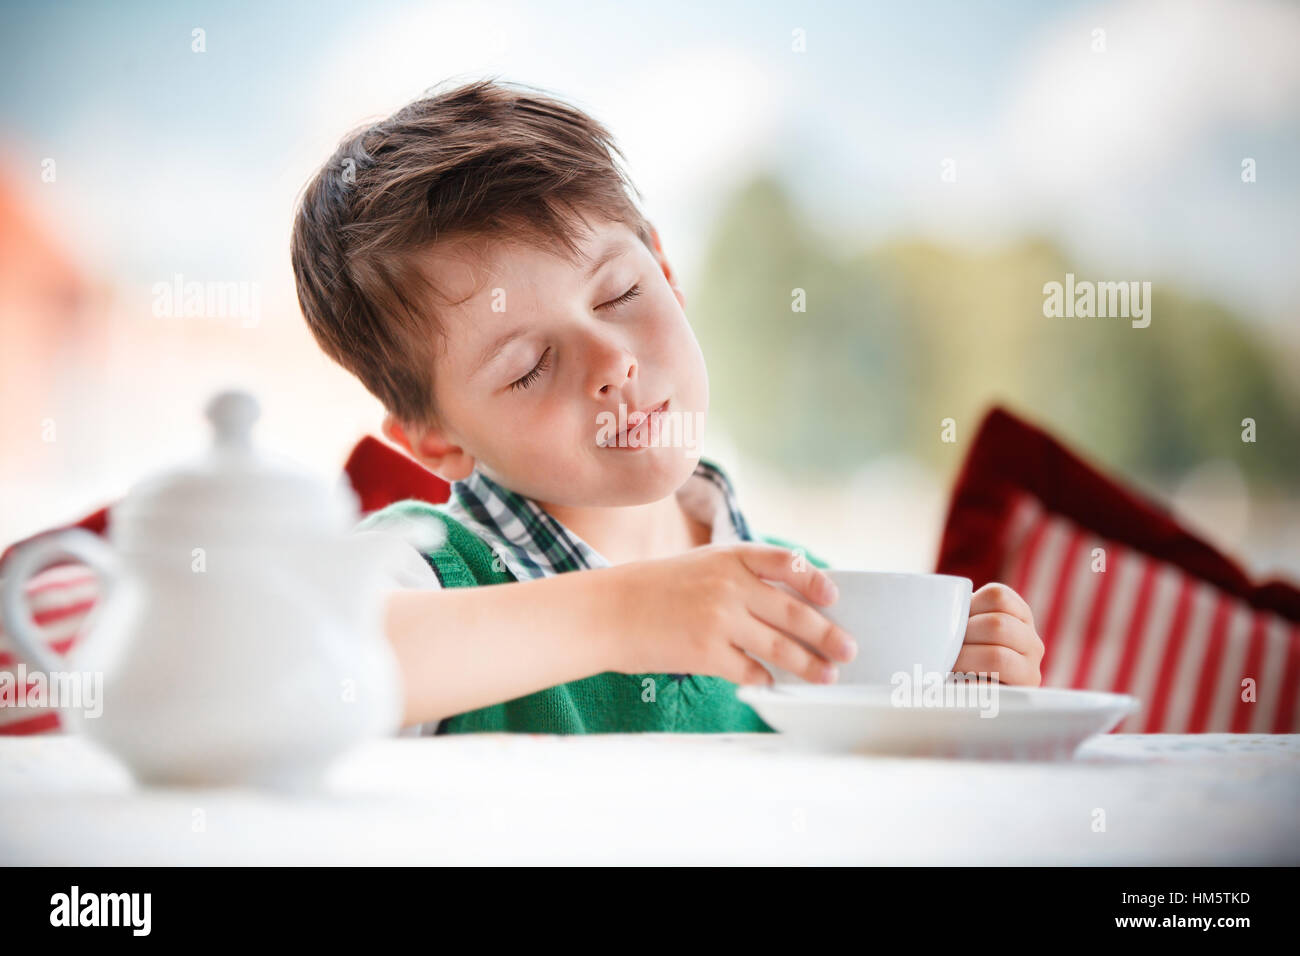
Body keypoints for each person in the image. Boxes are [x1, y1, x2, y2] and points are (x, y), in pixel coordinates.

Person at [289, 77, 1044, 735]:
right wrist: (624, 615)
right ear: (434, 440)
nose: (612, 364)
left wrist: (953, 697)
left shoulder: (810, 603)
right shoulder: (425, 572)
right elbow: (303, 667)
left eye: (620, 293)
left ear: (671, 276)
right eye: (527, 367)